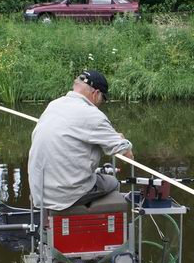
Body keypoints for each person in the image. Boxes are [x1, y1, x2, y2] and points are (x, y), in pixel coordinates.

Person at [28, 70, 133, 211]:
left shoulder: (54, 105)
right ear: (96, 93)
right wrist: (122, 140)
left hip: (39, 192)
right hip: (66, 195)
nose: (101, 103)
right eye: (103, 99)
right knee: (113, 182)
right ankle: (99, 221)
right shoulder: (93, 115)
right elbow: (127, 155)